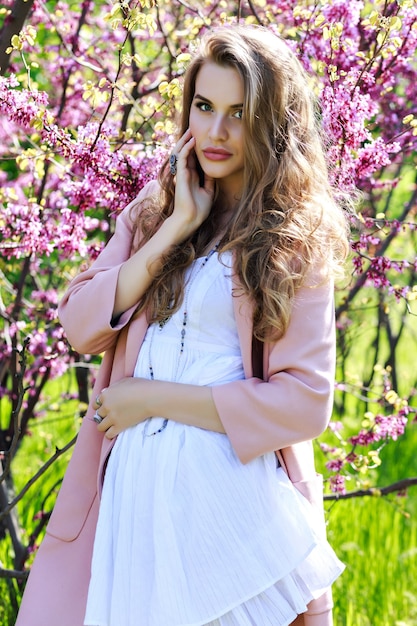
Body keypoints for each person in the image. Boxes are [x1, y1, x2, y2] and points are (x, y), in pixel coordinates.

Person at [16, 24, 350, 626]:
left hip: (227, 503)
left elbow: (305, 403)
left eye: (238, 113)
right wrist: (174, 230)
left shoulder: (295, 238)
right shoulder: (155, 212)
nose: (215, 133)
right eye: (204, 107)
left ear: (271, 123)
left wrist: (152, 399)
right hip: (132, 503)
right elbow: (79, 326)